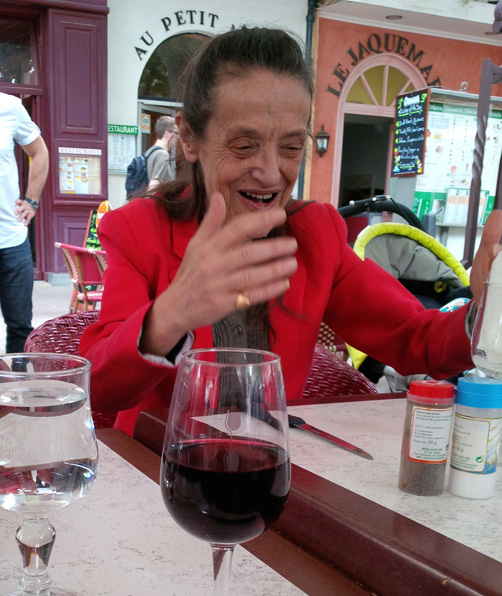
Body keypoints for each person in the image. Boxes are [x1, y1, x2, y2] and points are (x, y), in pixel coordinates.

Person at [80, 26, 502, 436]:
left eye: (291, 147)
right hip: (157, 466)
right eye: (244, 146)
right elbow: (100, 389)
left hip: (269, 463)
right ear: (189, 137)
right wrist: (171, 314)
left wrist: (489, 308)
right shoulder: (139, 230)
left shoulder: (315, 234)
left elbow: (413, 338)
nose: (269, 173)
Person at [0, 92, 49, 353]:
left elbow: (39, 151)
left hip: (11, 238)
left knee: (20, 327)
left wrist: (31, 201)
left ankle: (15, 379)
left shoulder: (9, 106)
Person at [146, 115, 178, 189]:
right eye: (176, 133)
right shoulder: (163, 154)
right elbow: (153, 185)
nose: (178, 136)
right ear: (167, 133)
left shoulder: (149, 152)